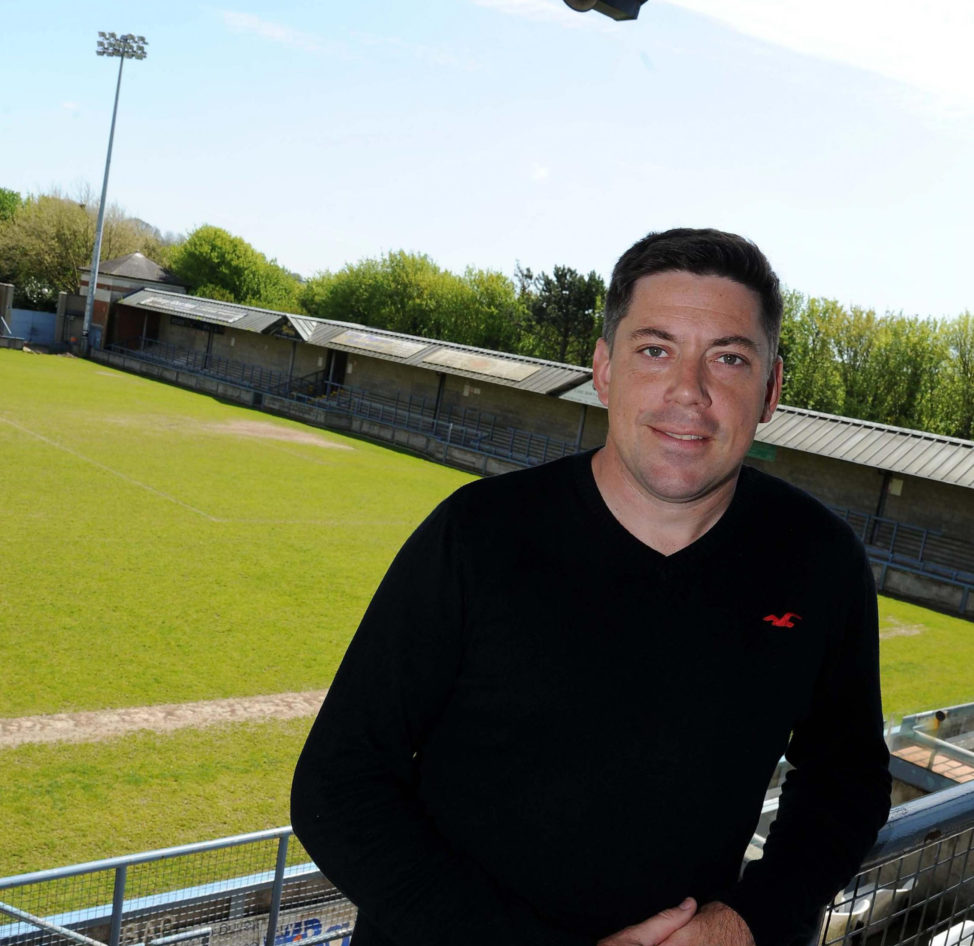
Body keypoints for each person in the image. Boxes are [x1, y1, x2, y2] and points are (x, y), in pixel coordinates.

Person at [290, 228, 891, 946]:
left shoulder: (819, 562)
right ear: (604, 368)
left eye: (728, 358)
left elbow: (846, 780)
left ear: (770, 389)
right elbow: (338, 785)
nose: (689, 392)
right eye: (655, 349)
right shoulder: (478, 536)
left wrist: (745, 923)